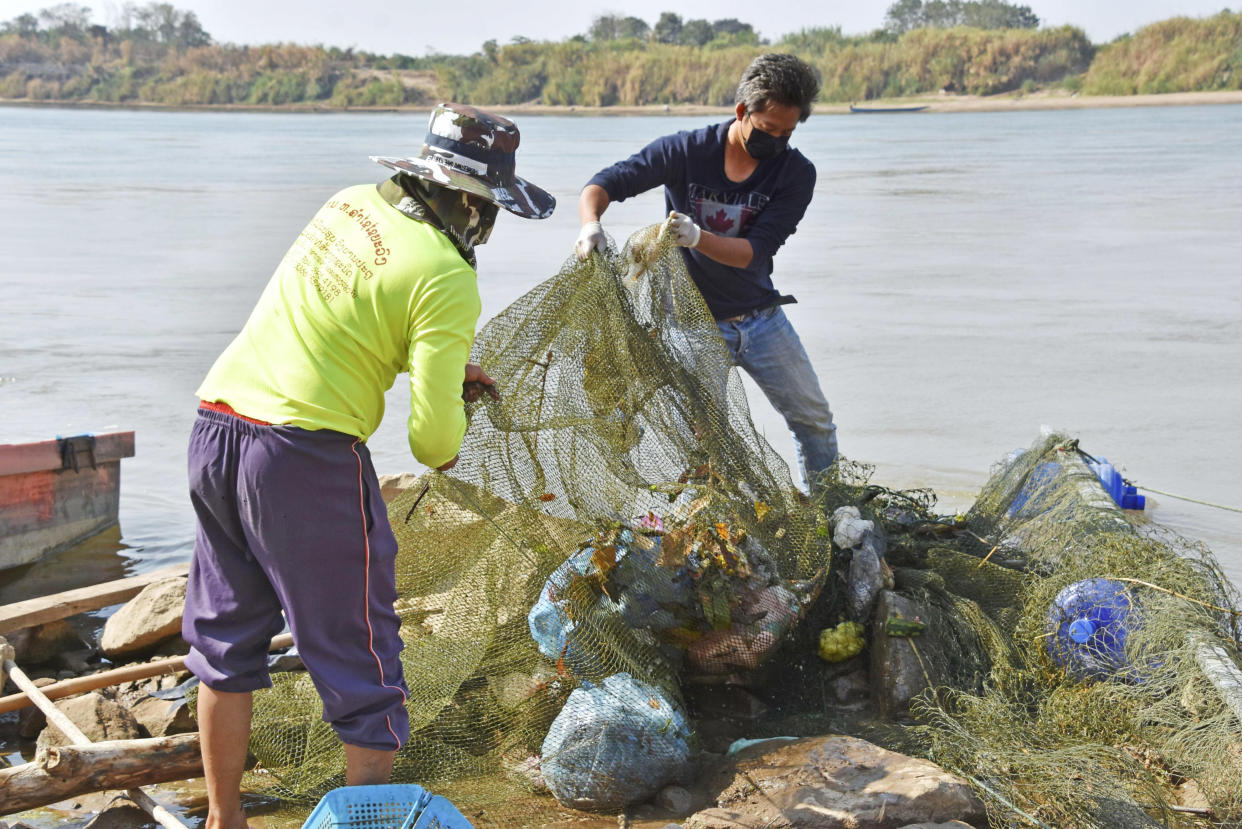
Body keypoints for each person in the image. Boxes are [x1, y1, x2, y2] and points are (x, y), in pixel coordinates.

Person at [184, 103, 554, 829]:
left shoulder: (347, 204)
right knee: (366, 662)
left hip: (216, 426)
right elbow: (431, 444)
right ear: (473, 203)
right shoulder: (449, 275)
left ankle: (224, 821)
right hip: (302, 460)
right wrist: (448, 403)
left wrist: (442, 371)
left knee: (225, 646)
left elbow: (347, 316)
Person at [575, 53, 837, 489]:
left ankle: (829, 509)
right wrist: (590, 225)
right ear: (742, 112)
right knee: (709, 444)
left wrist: (698, 238)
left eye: (787, 133)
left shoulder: (796, 172)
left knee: (814, 421)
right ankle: (718, 525)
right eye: (769, 130)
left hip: (762, 319)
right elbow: (605, 183)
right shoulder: (686, 152)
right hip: (692, 325)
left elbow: (754, 253)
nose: (777, 141)